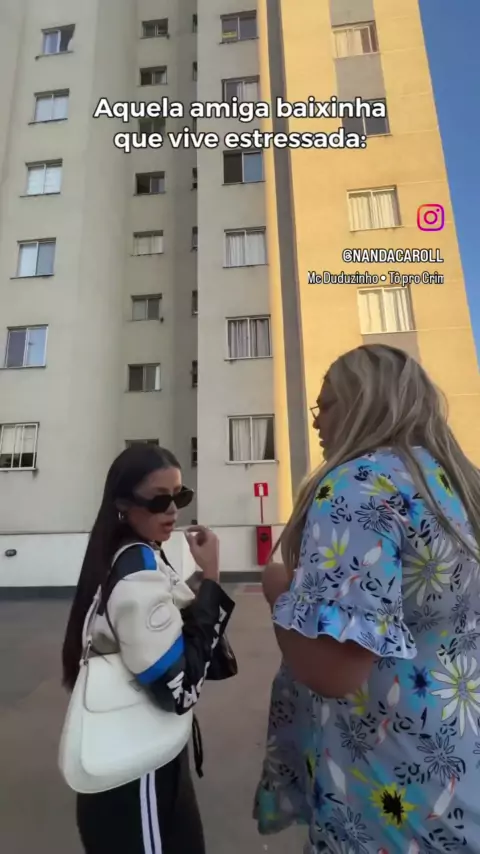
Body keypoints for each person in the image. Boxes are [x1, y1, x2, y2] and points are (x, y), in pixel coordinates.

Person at [255, 343, 480, 853]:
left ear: (362, 402)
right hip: (458, 766)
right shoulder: (456, 486)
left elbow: (335, 671)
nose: (317, 421)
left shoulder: (359, 484)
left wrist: (278, 589)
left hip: (388, 788)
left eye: (325, 405)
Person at [62, 444, 235, 854]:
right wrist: (211, 576)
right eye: (159, 500)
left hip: (132, 762)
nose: (172, 510)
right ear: (123, 505)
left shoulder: (128, 555)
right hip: (137, 781)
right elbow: (179, 688)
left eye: (180, 496)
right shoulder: (136, 570)